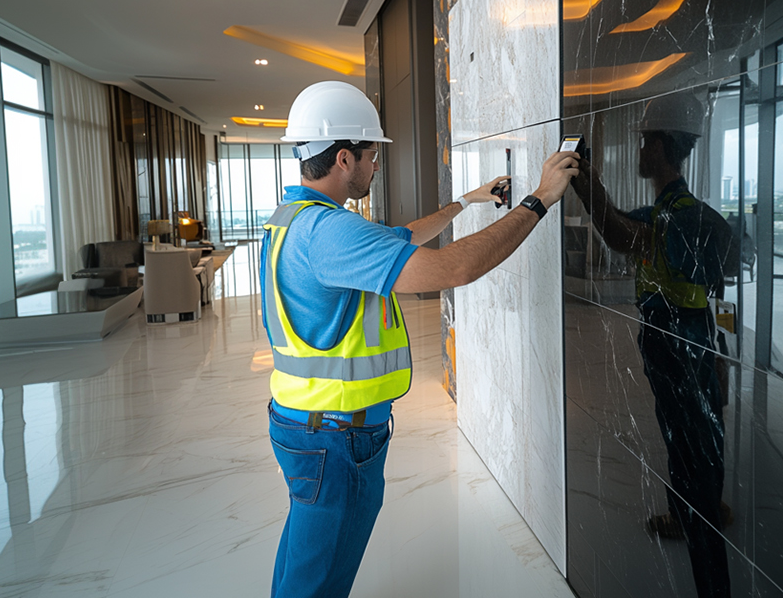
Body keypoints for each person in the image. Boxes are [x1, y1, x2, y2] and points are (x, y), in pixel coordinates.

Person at [261, 80, 579, 598]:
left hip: (305, 423)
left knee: (304, 560)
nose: (375, 165)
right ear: (345, 158)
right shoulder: (329, 233)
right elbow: (455, 268)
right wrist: (540, 198)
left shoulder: (294, 220)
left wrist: (467, 201)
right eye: (371, 155)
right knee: (315, 584)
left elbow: (400, 237)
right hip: (334, 436)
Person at [571, 89, 736, 598]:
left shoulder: (682, 216)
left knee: (693, 440)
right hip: (687, 339)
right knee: (686, 431)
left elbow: (621, 233)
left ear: (663, 148)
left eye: (646, 142)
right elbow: (720, 292)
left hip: (682, 341)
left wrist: (583, 181)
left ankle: (703, 526)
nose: (640, 151)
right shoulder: (679, 212)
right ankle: (690, 508)